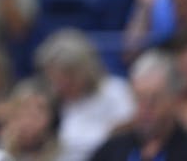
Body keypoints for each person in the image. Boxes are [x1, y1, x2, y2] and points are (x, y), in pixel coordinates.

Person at [88, 51, 187, 161]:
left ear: (175, 100)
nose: (145, 107)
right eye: (139, 99)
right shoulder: (110, 150)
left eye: (154, 99)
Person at [34, 29, 136, 161]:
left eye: (68, 77)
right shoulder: (53, 104)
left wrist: (112, 132)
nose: (61, 85)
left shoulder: (114, 91)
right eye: (55, 79)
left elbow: (131, 128)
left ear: (85, 70)